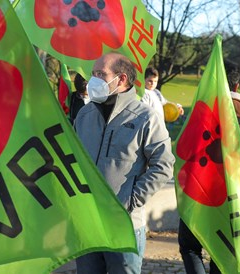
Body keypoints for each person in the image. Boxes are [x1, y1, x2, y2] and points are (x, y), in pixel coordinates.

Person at [74, 52, 175, 274]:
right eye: (93, 74)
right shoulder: (84, 115)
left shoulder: (145, 117)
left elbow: (164, 165)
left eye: (101, 74)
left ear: (121, 79)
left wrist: (129, 201)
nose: (94, 80)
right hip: (88, 223)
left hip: (125, 225)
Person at [178, 60, 240, 274]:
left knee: (191, 247)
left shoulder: (199, 114)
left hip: (198, 192)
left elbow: (184, 152)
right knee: (225, 250)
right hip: (234, 196)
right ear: (237, 86)